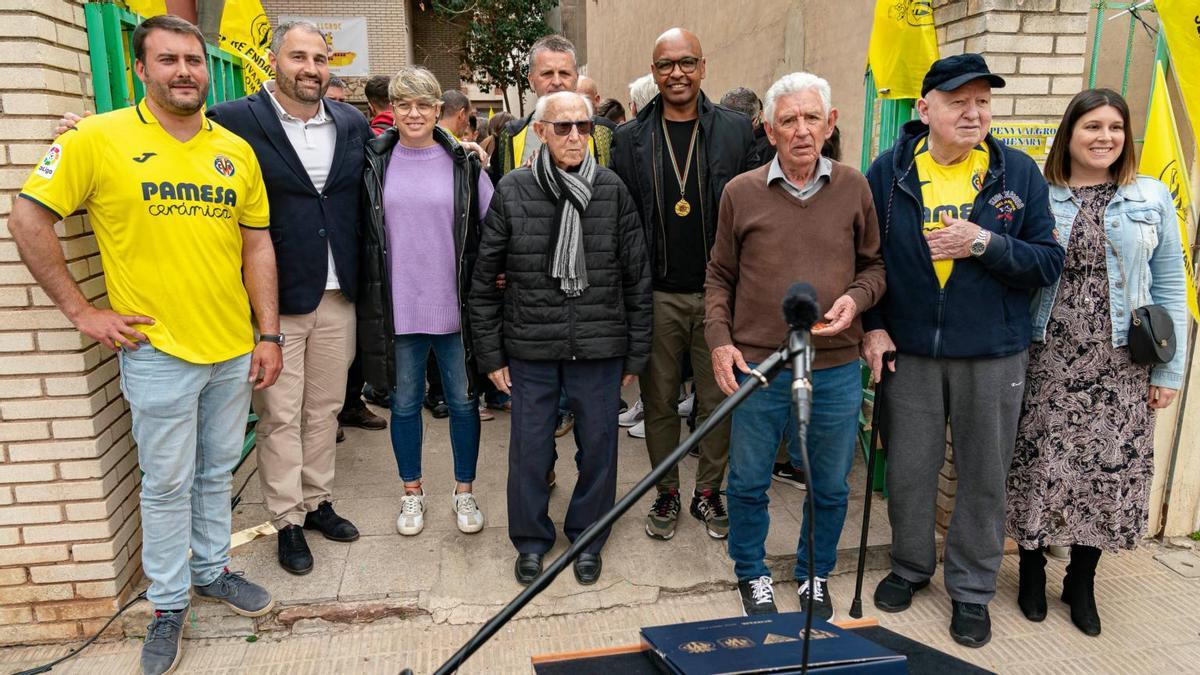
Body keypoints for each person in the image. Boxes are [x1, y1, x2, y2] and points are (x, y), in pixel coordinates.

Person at [10, 16, 280, 675]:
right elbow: (27, 217)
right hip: (157, 350)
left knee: (216, 470)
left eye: (194, 59)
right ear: (140, 68)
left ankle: (212, 569)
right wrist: (82, 312)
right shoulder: (97, 140)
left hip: (228, 347)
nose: (186, 70)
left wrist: (266, 332)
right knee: (165, 482)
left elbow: (256, 243)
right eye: (169, 59)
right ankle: (167, 604)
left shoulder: (233, 151)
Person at [862, 53, 1065, 647]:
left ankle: (972, 589)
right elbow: (866, 259)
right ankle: (910, 566)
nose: (973, 113)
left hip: (993, 352)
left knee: (982, 475)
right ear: (925, 110)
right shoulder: (888, 171)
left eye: (982, 101)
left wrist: (983, 242)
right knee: (910, 469)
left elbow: (1048, 261)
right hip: (913, 348)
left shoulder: (1017, 173)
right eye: (959, 102)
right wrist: (873, 324)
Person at [1007, 88, 1187, 637]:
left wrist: (1169, 372)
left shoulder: (1150, 197)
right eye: (1092, 127)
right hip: (1049, 354)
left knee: (1108, 472)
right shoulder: (1039, 194)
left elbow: (1170, 287)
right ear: (1070, 133)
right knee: (1039, 464)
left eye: (1114, 127)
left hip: (1120, 362)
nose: (1104, 137)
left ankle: (1082, 578)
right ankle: (1032, 568)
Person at [707, 72, 886, 619]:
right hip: (758, 365)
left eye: (812, 118)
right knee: (748, 480)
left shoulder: (855, 187)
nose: (802, 130)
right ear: (770, 128)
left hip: (833, 367)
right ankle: (752, 573)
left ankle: (814, 572)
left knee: (829, 484)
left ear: (830, 124)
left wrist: (856, 300)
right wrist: (719, 341)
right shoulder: (741, 192)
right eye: (789, 120)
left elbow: (874, 267)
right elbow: (718, 276)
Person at [207, 20, 372, 576]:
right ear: (274, 61)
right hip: (272, 300)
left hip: (337, 293)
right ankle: (286, 519)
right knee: (279, 414)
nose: (311, 68)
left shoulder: (350, 121)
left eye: (321, 59)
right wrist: (83, 127)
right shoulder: (232, 120)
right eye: (298, 57)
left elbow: (388, 163)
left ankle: (318, 499)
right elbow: (171, 138)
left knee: (324, 408)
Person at [470, 91, 652, 586]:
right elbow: (484, 280)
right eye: (564, 126)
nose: (575, 136)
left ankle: (589, 536)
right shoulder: (513, 190)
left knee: (598, 447)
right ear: (541, 131)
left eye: (583, 127)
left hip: (599, 347)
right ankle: (531, 541)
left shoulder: (612, 190)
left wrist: (635, 351)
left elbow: (637, 277)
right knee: (529, 450)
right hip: (531, 348)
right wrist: (490, 356)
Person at [611, 27, 757, 543]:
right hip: (657, 294)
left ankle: (708, 491)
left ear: (703, 66)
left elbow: (755, 218)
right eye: (666, 64)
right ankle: (667, 489)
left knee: (719, 399)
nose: (677, 72)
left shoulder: (738, 133)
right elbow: (622, 224)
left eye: (686, 62)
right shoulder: (627, 140)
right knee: (659, 401)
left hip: (720, 296)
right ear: (654, 72)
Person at [358, 66, 493, 536]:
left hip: (455, 311)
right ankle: (411, 492)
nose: (413, 113)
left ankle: (464, 490)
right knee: (403, 403)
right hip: (399, 312)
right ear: (390, 110)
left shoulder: (464, 164)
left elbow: (493, 230)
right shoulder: (374, 163)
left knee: (463, 402)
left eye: (423, 105)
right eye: (403, 104)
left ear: (440, 110)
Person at [489, 35, 615, 178]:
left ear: (576, 78)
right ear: (531, 80)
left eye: (564, 73)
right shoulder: (510, 136)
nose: (556, 81)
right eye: (547, 73)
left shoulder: (605, 133)